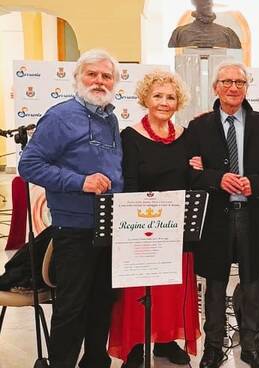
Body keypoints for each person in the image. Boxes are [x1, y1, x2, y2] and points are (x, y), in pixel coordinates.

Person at [18, 49, 124, 368]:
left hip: (109, 228)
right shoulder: (60, 116)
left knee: (102, 303)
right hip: (74, 230)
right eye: (92, 74)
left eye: (107, 76)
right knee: (71, 308)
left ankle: (94, 361)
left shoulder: (111, 117)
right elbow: (29, 165)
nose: (99, 81)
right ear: (77, 77)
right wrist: (81, 182)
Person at [188, 60, 259, 368]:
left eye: (240, 83)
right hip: (216, 217)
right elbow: (190, 173)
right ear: (216, 87)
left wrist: (254, 183)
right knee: (215, 285)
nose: (233, 88)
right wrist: (216, 178)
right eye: (227, 82)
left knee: (253, 283)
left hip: (255, 214)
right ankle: (213, 347)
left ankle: (250, 345)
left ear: (246, 88)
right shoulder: (199, 126)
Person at [107, 70, 201, 367]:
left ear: (178, 102)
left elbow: (190, 181)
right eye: (158, 96)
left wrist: (197, 170)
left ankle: (165, 340)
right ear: (145, 98)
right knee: (137, 290)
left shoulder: (187, 137)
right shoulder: (130, 136)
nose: (164, 102)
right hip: (140, 227)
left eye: (170, 97)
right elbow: (129, 184)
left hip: (176, 228)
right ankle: (134, 346)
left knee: (171, 289)